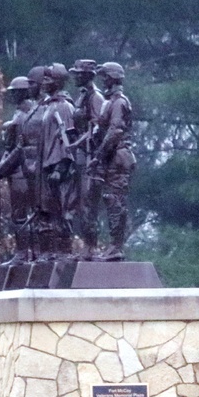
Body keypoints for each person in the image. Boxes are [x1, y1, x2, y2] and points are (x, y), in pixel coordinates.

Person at [86, 62, 135, 261]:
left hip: (118, 157)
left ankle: (116, 247)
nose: (103, 80)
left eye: (105, 76)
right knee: (110, 199)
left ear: (114, 78)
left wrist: (97, 156)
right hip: (111, 157)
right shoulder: (110, 102)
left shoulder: (119, 102)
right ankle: (113, 246)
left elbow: (115, 131)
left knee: (115, 201)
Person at [0, 76, 36, 265]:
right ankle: (28, 252)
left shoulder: (22, 117)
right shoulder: (30, 112)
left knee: (20, 214)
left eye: (14, 92)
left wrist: (2, 168)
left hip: (20, 172)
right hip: (25, 170)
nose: (12, 96)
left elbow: (17, 149)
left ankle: (22, 253)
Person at [37, 63, 77, 258]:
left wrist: (61, 167)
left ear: (58, 81)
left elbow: (68, 139)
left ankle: (64, 249)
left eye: (49, 78)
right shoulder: (48, 105)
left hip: (59, 168)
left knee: (63, 208)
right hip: (47, 166)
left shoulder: (64, 106)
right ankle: (52, 249)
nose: (44, 82)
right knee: (51, 209)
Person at [69, 59, 104, 257]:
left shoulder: (95, 98)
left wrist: (78, 142)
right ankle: (85, 245)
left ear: (88, 76)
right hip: (80, 156)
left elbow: (96, 128)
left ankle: (91, 246)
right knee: (78, 202)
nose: (76, 77)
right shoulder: (81, 97)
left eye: (79, 74)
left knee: (88, 203)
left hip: (91, 156)